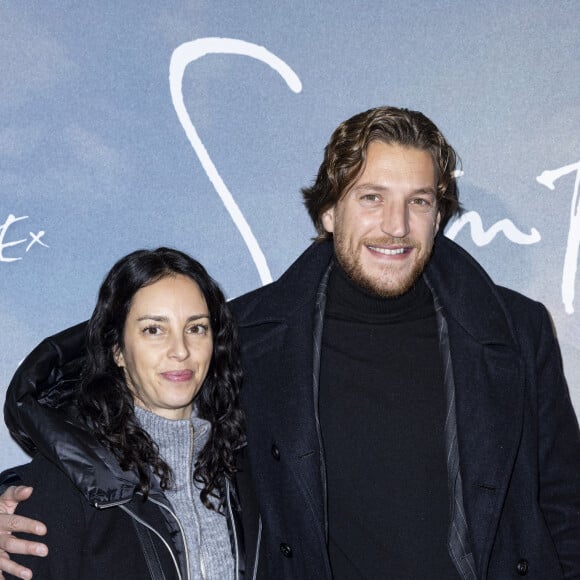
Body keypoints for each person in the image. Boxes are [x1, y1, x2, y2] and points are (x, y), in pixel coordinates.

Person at [1, 106, 580, 579]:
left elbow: (565, 505)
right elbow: (122, 406)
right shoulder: (248, 333)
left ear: (439, 213)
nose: (397, 225)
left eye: (419, 201)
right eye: (371, 197)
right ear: (330, 210)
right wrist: (19, 495)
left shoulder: (514, 331)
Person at [0, 247, 248, 579]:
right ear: (117, 349)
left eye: (196, 328)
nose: (180, 350)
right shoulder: (70, 480)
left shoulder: (250, 468)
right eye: (153, 330)